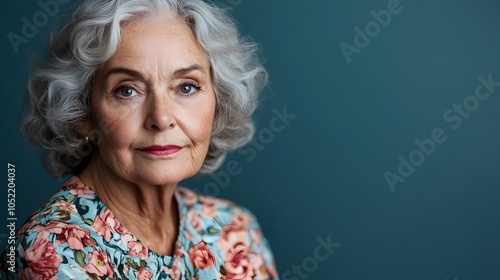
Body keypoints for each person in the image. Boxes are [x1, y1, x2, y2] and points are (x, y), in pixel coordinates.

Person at [0, 0, 278, 279]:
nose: (161, 117)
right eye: (127, 91)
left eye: (187, 87)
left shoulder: (235, 231)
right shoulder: (51, 253)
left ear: (219, 101)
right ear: (83, 112)